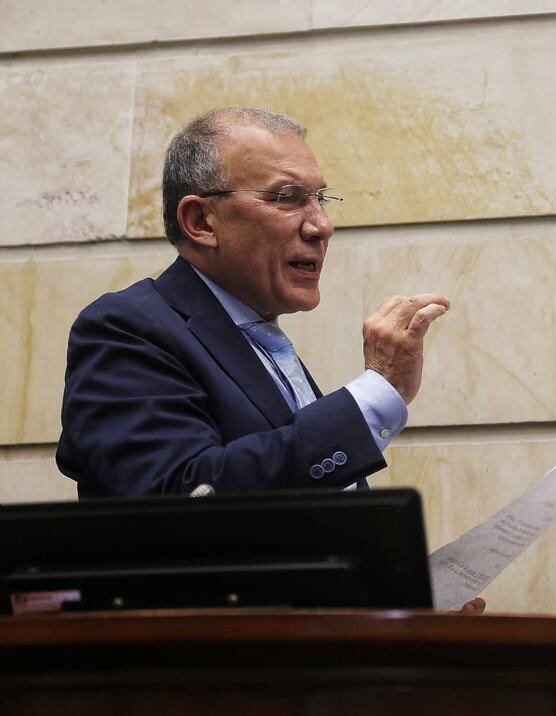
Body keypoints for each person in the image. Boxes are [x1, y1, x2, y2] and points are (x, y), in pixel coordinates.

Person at [56, 107, 449, 499]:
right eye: (287, 198)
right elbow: (179, 499)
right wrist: (376, 391)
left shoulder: (259, 338)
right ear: (201, 222)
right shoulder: (125, 329)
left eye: (321, 198)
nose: (322, 226)